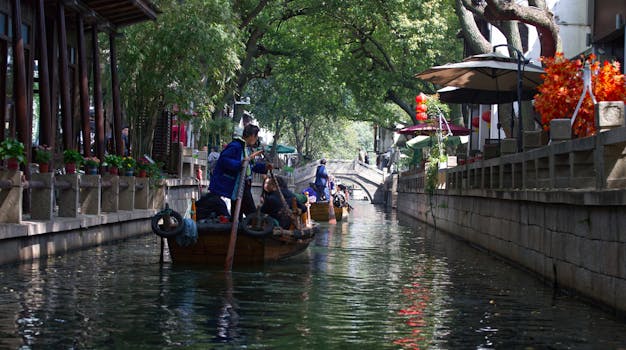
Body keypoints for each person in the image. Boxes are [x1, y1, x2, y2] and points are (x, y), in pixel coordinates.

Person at [208, 124, 271, 219]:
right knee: (251, 213)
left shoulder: (247, 149)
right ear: (252, 136)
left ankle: (236, 228)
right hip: (238, 185)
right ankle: (252, 229)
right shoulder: (236, 146)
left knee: (238, 212)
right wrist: (240, 163)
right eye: (256, 136)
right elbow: (224, 160)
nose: (256, 139)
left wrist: (265, 167)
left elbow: (251, 166)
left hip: (244, 184)